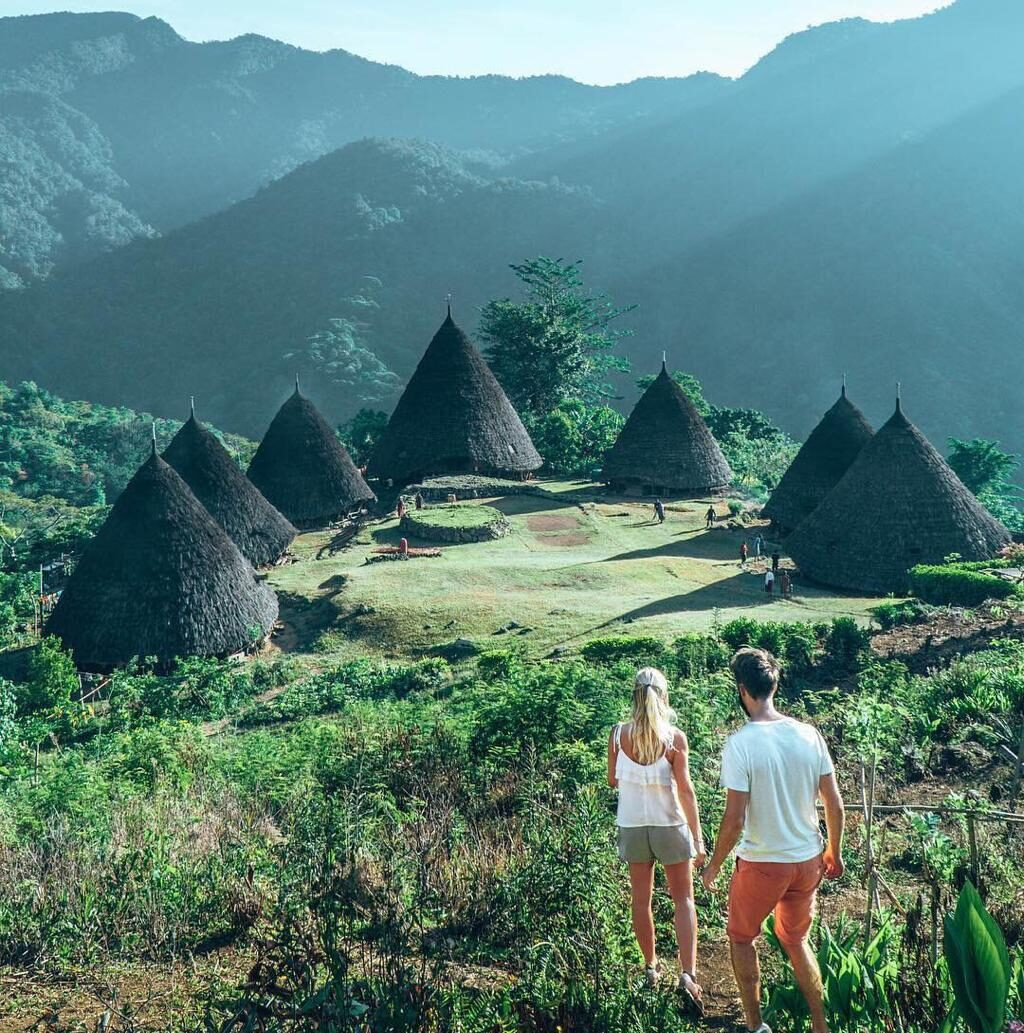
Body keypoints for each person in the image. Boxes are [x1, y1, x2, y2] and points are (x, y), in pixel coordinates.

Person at [701, 649, 846, 1033]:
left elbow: (734, 821)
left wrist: (714, 864)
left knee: (741, 938)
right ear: (775, 686)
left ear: (743, 690)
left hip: (764, 863)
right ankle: (820, 1025)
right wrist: (835, 849)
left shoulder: (741, 744)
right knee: (796, 940)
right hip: (808, 859)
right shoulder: (808, 734)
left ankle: (755, 1025)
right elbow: (833, 802)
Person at [608, 668, 706, 1010]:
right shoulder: (674, 738)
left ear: (634, 696)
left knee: (641, 901)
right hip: (669, 824)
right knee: (683, 900)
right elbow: (687, 790)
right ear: (663, 697)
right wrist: (698, 838)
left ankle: (650, 968)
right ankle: (688, 974)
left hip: (633, 825)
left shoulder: (617, 735)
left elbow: (612, 781)